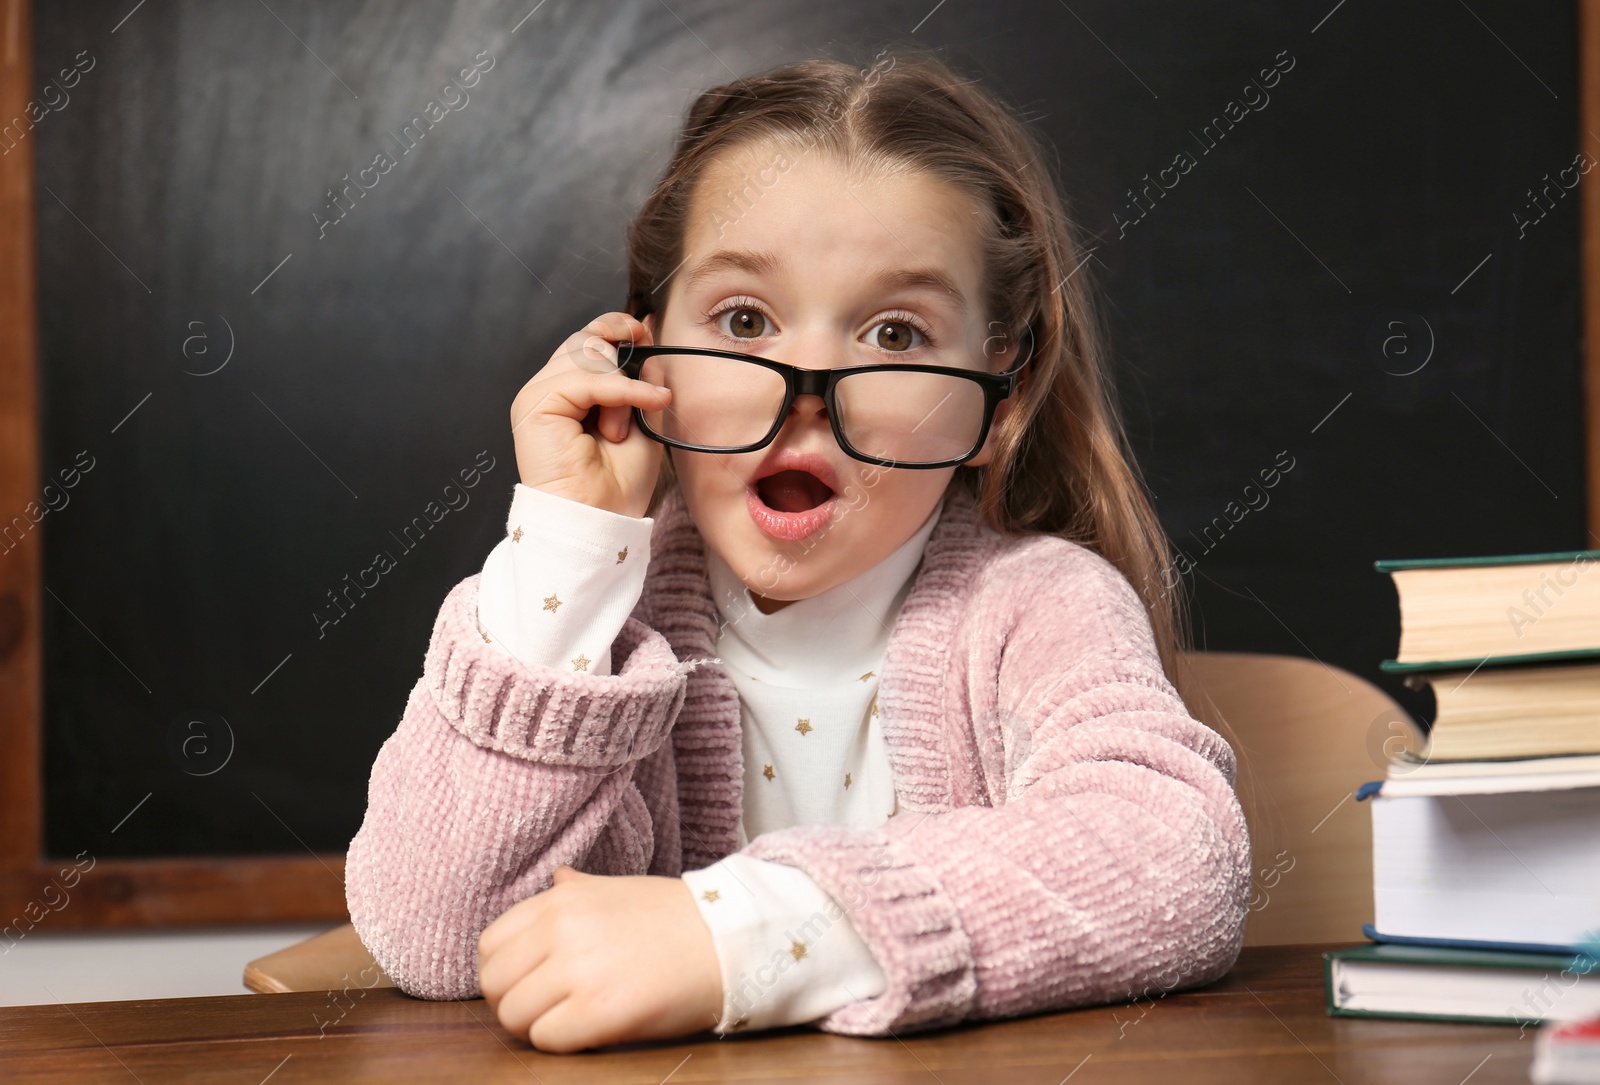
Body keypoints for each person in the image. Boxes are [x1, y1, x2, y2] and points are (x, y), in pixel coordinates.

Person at [344, 49, 1250, 1054]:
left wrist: (746, 937)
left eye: (896, 335)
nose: (808, 390)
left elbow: (1179, 866)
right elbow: (432, 934)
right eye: (743, 320)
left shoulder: (1036, 605)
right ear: (643, 356)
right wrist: (568, 540)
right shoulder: (592, 614)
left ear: (1001, 395)